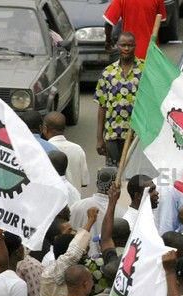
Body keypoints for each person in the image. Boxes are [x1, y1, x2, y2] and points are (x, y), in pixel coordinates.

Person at [95, 32, 144, 166]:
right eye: (123, 45)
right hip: (112, 134)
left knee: (132, 175)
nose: (127, 49)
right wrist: (99, 138)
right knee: (113, 174)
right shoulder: (108, 72)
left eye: (130, 45)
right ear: (117, 46)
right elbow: (102, 106)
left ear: (135, 46)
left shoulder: (144, 70)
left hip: (136, 136)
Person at [40, 208, 97, 296]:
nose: (83, 252)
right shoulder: (54, 272)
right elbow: (74, 253)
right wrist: (90, 220)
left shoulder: (57, 272)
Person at [70, 170, 124, 257]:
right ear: (118, 186)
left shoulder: (76, 206)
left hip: (77, 261)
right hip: (108, 263)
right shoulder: (123, 213)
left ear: (96, 183)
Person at [42, 111, 90, 191]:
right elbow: (84, 182)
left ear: (45, 129)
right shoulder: (77, 149)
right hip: (75, 201)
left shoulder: (44, 150)